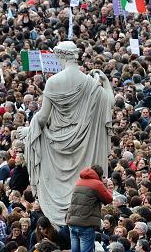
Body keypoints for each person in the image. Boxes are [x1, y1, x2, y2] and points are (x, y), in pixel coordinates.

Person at [25, 41, 113, 228]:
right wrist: (106, 84)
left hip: (56, 144)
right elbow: (109, 106)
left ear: (60, 56)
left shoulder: (54, 82)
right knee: (79, 184)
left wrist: (30, 130)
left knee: (57, 186)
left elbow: (42, 117)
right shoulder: (91, 84)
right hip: (84, 146)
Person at [66, 165, 113, 252]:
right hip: (85, 224)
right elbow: (108, 199)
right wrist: (103, 185)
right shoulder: (96, 184)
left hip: (72, 222)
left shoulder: (80, 181)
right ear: (99, 175)